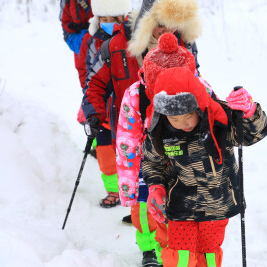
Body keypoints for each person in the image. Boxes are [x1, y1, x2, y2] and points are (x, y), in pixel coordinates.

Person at [82, 0, 202, 266]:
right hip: (132, 140)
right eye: (160, 24)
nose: (165, 31)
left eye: (172, 24)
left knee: (173, 201)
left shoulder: (185, 49)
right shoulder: (115, 46)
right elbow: (95, 83)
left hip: (175, 142)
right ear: (146, 22)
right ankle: (149, 250)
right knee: (142, 200)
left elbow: (199, 90)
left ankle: (171, 253)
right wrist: (93, 112)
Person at [142, 66, 267, 267]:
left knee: (208, 255)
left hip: (217, 206)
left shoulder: (219, 123)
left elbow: (252, 134)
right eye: (174, 119)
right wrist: (156, 187)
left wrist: (249, 112)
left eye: (188, 116)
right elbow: (152, 162)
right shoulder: (160, 133)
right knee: (179, 256)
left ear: (199, 107)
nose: (183, 123)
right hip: (180, 205)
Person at [116, 33, 214, 267]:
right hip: (147, 167)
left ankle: (176, 255)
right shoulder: (136, 94)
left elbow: (215, 126)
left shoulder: (200, 89)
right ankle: (151, 249)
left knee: (181, 220)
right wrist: (129, 184)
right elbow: (127, 139)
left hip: (187, 168)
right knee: (146, 213)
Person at [76, 0, 131, 208]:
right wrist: (91, 96)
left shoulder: (131, 39)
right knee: (105, 154)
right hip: (102, 111)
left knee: (128, 154)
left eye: (114, 19)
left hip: (125, 110)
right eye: (103, 19)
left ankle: (131, 192)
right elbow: (85, 69)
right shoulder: (91, 41)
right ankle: (113, 190)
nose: (107, 23)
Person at [59, 0, 93, 68]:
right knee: (84, 66)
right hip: (77, 36)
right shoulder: (67, 2)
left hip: (94, 33)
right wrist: (73, 27)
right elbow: (64, 21)